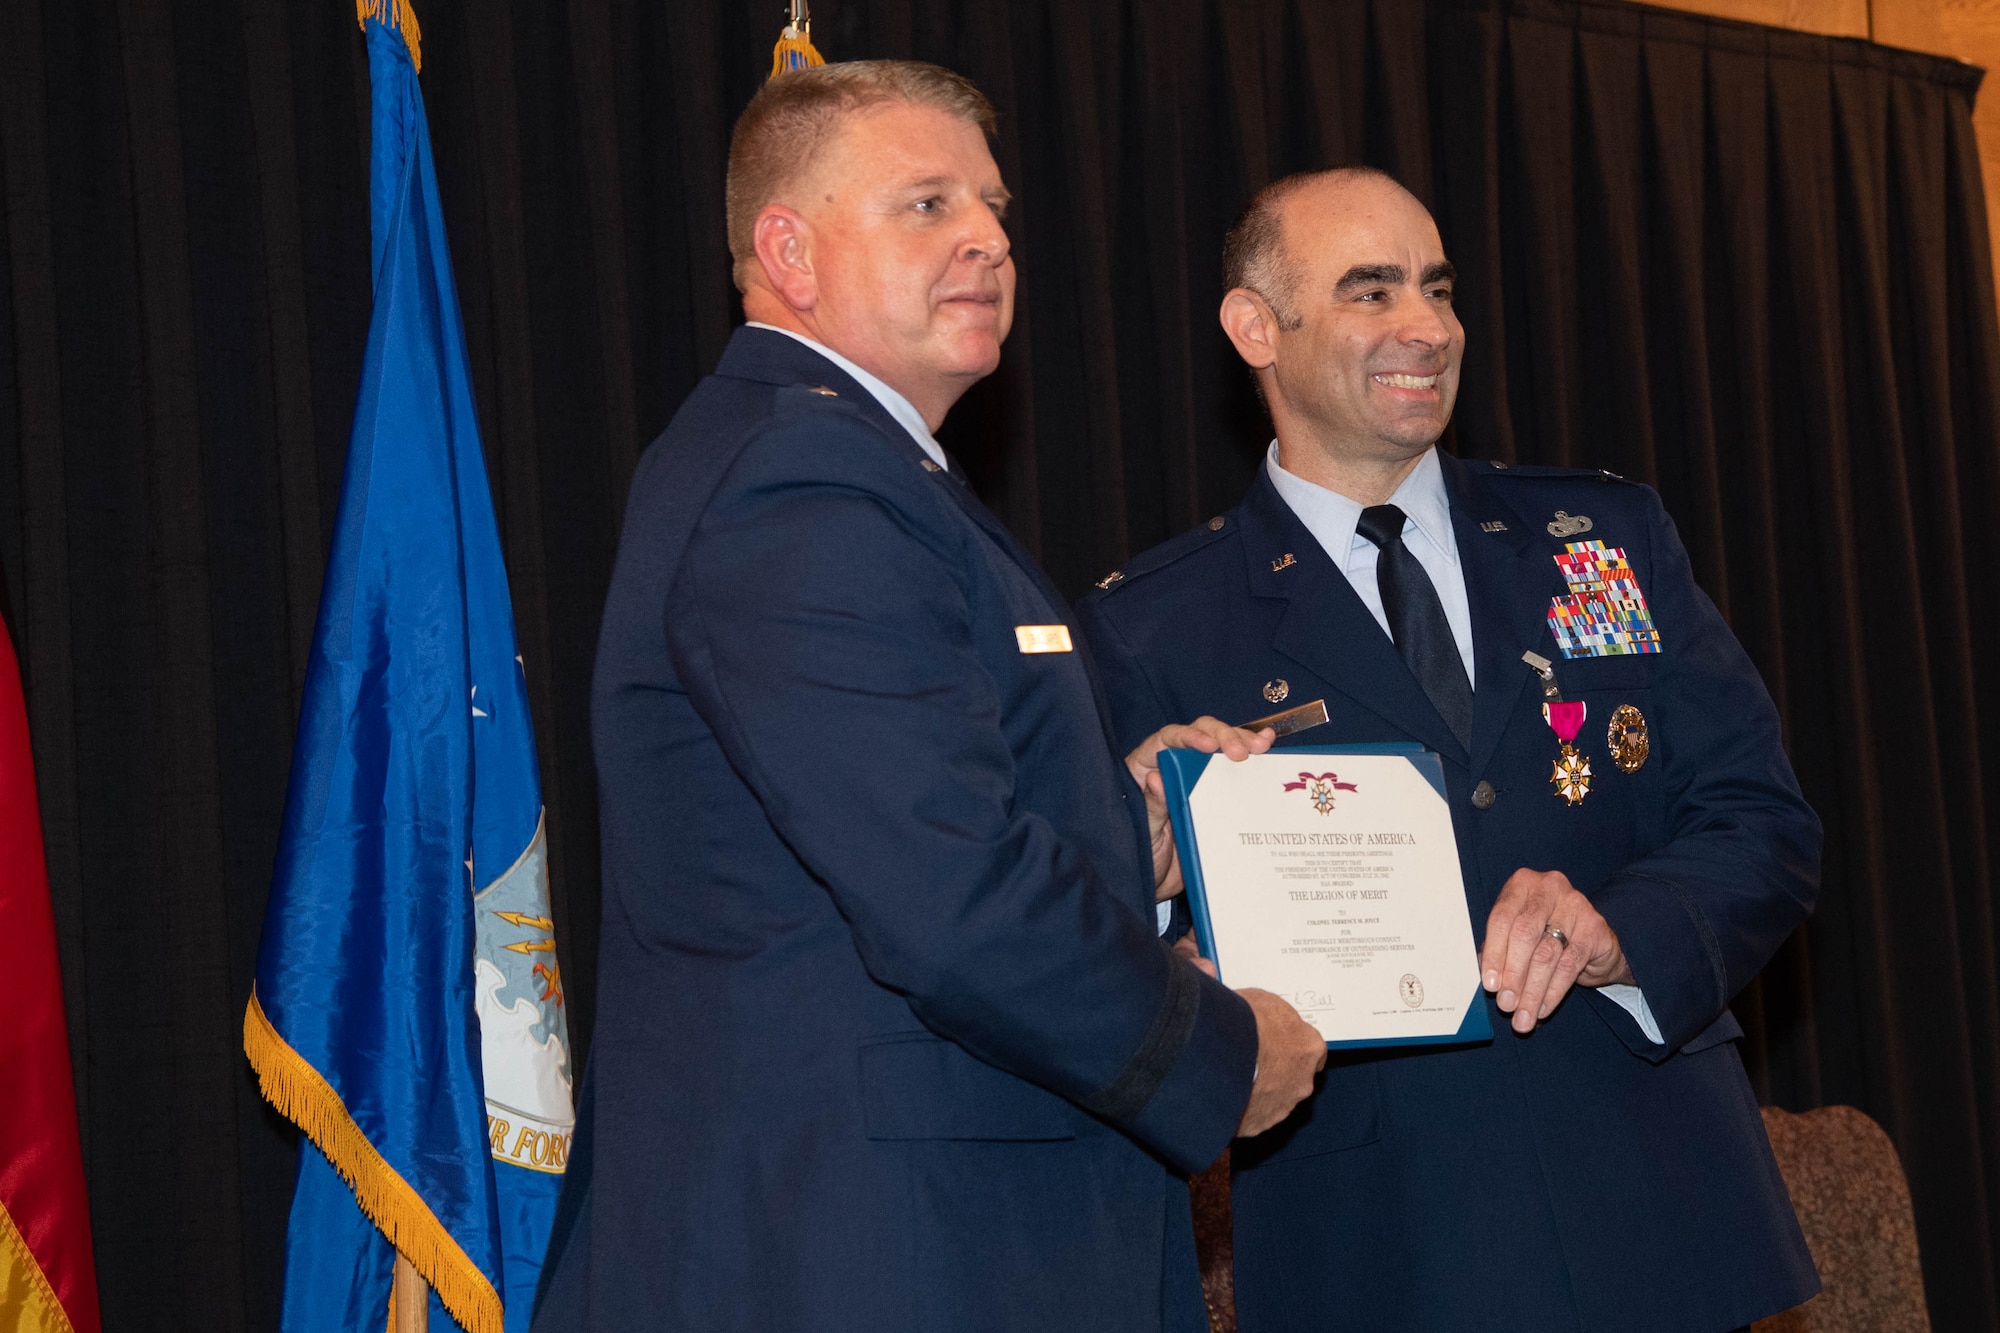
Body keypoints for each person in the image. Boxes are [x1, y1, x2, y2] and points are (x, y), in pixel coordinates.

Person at [530, 61, 1325, 1333]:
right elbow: (947, 893)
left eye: (994, 207)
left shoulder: (860, 466)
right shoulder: (797, 479)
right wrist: (1217, 1054)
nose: (988, 239)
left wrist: (1134, 825)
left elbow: (899, 821)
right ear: (786, 249)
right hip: (870, 1254)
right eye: (926, 205)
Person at [1074, 167, 1821, 1332]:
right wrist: (1176, 950)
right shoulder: (1152, 623)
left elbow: (1762, 823)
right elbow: (1117, 934)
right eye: (1369, 292)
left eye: (1435, 287)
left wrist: (1623, 927)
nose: (1424, 326)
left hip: (1660, 1219)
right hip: (1381, 1239)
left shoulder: (1599, 537)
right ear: (1253, 327)